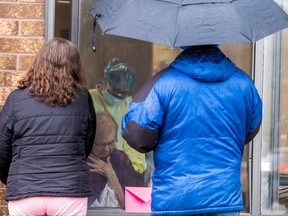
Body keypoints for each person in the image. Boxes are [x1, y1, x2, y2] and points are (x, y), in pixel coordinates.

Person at [121, 45, 263, 216]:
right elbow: (251, 129)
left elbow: (137, 135)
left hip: (175, 198)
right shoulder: (243, 83)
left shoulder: (163, 82)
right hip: (223, 197)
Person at [0, 37, 96, 216]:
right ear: (74, 66)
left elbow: (1, 149)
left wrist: (16, 179)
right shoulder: (83, 99)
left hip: (26, 191)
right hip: (69, 191)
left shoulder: (15, 99)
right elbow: (86, 145)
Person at [89, 58, 146, 174]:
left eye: (125, 93)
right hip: (92, 166)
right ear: (105, 81)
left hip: (120, 169)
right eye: (116, 90)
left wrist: (128, 172)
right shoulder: (87, 100)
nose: (119, 95)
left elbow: (135, 148)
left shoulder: (131, 108)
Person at [88, 112, 144, 209]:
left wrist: (111, 175)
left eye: (110, 143)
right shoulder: (79, 161)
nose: (107, 149)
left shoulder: (120, 159)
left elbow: (137, 205)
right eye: (101, 144)